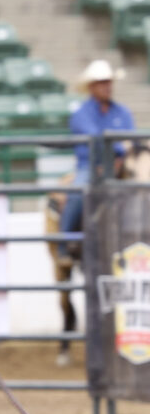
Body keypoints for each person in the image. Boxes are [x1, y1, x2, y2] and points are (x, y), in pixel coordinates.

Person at [57, 59, 135, 267]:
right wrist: (120, 148)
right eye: (102, 82)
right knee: (77, 193)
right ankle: (64, 243)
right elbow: (98, 139)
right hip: (90, 166)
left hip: (120, 167)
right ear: (91, 86)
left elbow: (131, 139)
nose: (107, 86)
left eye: (108, 81)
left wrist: (123, 152)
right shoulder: (81, 114)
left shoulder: (122, 112)